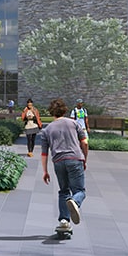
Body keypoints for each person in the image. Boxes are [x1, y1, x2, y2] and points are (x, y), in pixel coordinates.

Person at [40, 98, 88, 234]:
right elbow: (84, 142)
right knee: (79, 191)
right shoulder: (74, 124)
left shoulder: (47, 130)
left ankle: (64, 221)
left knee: (63, 191)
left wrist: (45, 171)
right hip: (75, 159)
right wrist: (84, 158)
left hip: (58, 161)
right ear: (65, 110)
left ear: (51, 112)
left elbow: (44, 153)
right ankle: (75, 201)